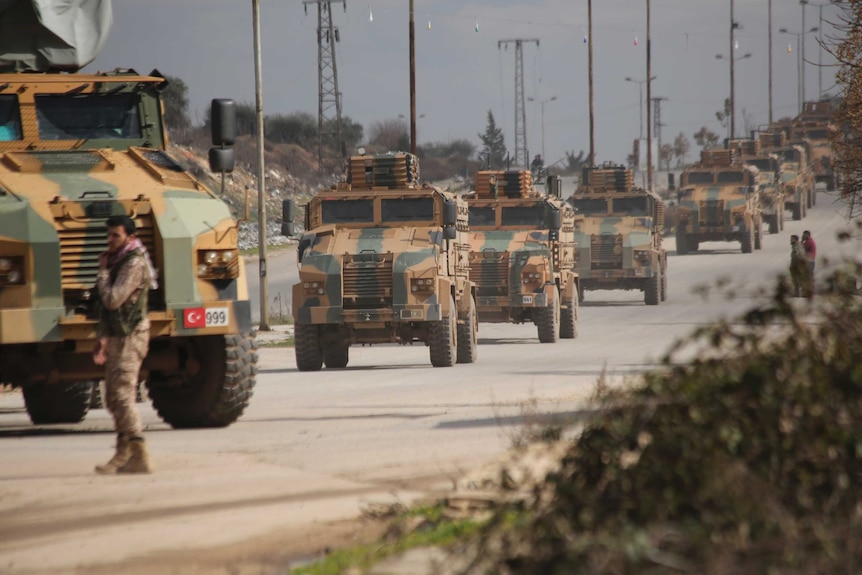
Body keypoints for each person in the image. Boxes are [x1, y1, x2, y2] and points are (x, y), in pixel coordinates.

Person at [92, 214, 158, 474]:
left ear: (130, 237)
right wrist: (103, 337)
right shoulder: (119, 260)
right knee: (112, 396)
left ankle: (138, 452)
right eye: (108, 235)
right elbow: (108, 312)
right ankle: (123, 453)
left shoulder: (133, 264)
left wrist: (102, 274)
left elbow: (112, 300)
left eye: (115, 236)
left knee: (122, 395)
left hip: (132, 335)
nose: (110, 241)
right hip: (119, 334)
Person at [802, 230, 816, 298]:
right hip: (810, 261)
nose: (803, 236)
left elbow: (801, 248)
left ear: (808, 235)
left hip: (809, 261)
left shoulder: (809, 242)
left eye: (804, 235)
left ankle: (809, 292)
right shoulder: (810, 241)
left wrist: (802, 241)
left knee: (808, 277)